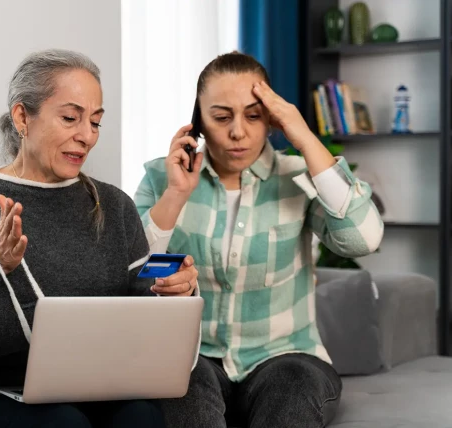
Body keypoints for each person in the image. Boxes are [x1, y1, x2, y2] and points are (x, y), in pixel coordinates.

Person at [0, 49, 199, 428]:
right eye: (70, 118)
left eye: (96, 122)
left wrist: (174, 292)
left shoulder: (114, 206)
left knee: (143, 415)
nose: (86, 136)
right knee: (61, 424)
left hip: (90, 392)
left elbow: (140, 310)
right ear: (22, 117)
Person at [134, 51, 384, 428]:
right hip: (194, 354)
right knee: (183, 385)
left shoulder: (301, 176)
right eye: (221, 117)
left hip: (287, 356)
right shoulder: (161, 178)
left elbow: (364, 238)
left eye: (253, 115)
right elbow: (130, 274)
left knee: (292, 388)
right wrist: (175, 196)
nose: (238, 131)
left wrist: (303, 137)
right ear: (197, 121)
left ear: (271, 118)